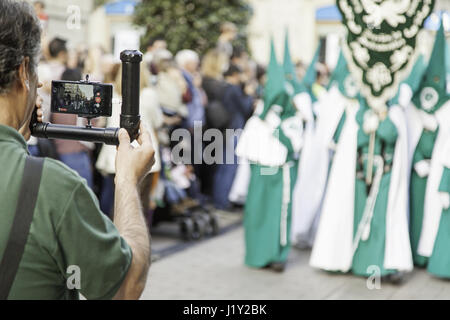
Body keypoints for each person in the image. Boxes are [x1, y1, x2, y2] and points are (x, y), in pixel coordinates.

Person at [0, 0, 153, 299]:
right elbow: (127, 286)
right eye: (36, 73)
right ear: (23, 72)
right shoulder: (50, 187)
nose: (40, 83)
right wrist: (126, 181)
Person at [236, 41, 303, 272]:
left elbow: (293, 145)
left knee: (278, 216)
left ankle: (277, 255)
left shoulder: (291, 120)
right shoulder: (257, 119)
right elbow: (246, 148)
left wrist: (277, 128)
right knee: (257, 213)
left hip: (281, 173)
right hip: (260, 173)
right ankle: (256, 254)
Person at [407, 21, 450, 278]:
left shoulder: (445, 112)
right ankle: (415, 253)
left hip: (438, 171)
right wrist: (417, 159)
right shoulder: (414, 109)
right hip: (419, 171)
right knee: (416, 213)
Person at [213, 64, 254, 210]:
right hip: (234, 129)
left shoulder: (222, 87)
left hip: (225, 130)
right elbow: (246, 107)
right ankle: (222, 201)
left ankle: (220, 199)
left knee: (224, 166)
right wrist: (248, 94)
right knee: (229, 167)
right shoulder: (234, 89)